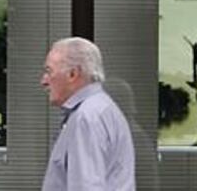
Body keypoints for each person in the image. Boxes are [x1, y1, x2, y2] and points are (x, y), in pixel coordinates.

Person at [41, 37, 135, 191]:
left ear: (73, 74)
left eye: (49, 71)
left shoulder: (87, 117)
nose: (43, 81)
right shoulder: (99, 109)